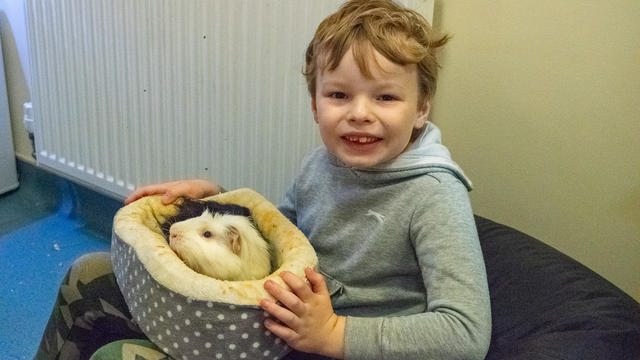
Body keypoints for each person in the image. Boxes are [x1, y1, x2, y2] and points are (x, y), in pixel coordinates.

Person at [38, 0, 490, 359]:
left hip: (341, 346)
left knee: (116, 356)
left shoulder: (434, 196)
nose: (359, 113)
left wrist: (335, 333)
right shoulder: (320, 164)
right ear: (315, 104)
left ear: (422, 108)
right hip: (276, 324)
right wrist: (214, 202)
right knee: (87, 273)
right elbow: (276, 239)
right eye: (338, 94)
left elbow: (466, 333)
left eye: (386, 97)